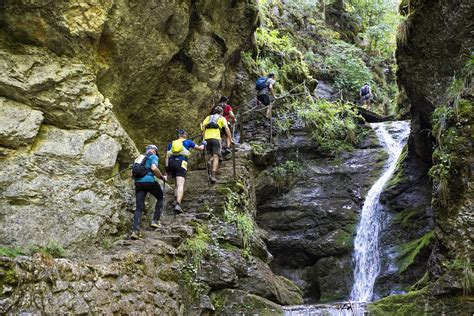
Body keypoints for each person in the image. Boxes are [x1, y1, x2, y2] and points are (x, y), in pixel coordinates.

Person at [131, 144, 167, 240]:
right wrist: (162, 177)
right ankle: (155, 221)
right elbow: (154, 168)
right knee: (160, 197)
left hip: (138, 183)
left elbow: (132, 173)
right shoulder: (153, 156)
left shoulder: (139, 157)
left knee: (139, 207)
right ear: (154, 151)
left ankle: (135, 231)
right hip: (149, 181)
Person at [165, 130, 206, 213]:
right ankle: (178, 204)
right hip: (181, 163)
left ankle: (175, 199)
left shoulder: (172, 143)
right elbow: (200, 149)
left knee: (176, 183)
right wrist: (203, 143)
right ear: (184, 135)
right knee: (180, 184)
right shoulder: (187, 142)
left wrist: (167, 168)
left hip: (171, 163)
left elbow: (167, 156)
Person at [201, 106, 233, 183]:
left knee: (211, 153)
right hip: (216, 139)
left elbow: (202, 126)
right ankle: (213, 176)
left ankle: (209, 162)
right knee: (216, 156)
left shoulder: (208, 117)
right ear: (221, 112)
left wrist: (204, 137)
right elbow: (226, 128)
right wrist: (230, 139)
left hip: (207, 139)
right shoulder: (222, 118)